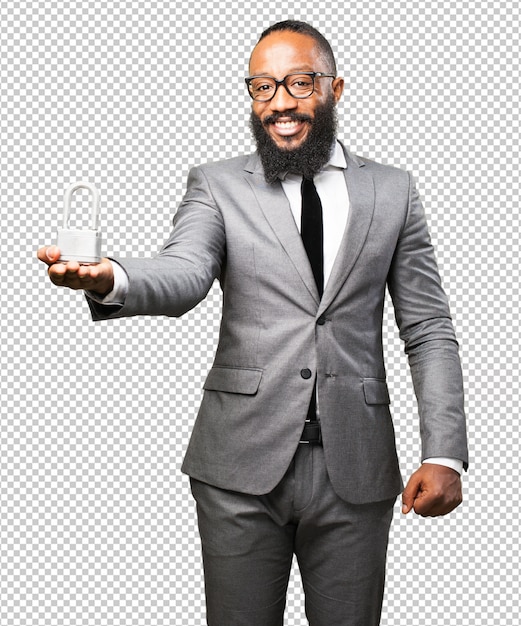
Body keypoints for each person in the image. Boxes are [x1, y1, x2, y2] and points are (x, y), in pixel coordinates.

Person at [38, 20, 468, 626]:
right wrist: (112, 277)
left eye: (298, 82)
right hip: (238, 468)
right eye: (262, 88)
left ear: (335, 88)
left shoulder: (392, 190)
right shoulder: (216, 185)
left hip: (358, 467)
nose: (280, 103)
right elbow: (183, 271)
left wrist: (445, 454)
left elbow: (427, 328)